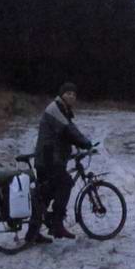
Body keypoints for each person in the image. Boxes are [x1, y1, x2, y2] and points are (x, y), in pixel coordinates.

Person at [26, 82, 92, 243]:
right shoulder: (54, 109)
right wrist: (85, 143)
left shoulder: (63, 110)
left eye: (74, 94)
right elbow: (68, 130)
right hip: (49, 159)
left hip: (49, 158)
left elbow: (69, 131)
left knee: (44, 196)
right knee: (66, 183)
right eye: (68, 93)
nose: (71, 96)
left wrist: (79, 144)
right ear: (61, 95)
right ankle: (57, 223)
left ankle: (32, 234)